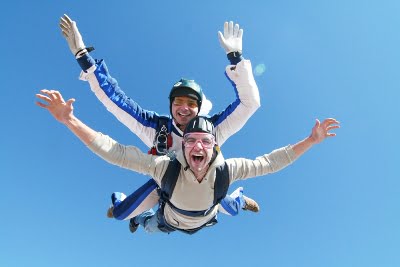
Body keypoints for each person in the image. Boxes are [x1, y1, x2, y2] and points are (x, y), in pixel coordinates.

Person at [36, 89, 340, 234]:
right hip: (170, 218)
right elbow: (115, 152)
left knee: (230, 205)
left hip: (208, 213)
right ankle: (131, 212)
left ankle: (240, 197)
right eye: (191, 140)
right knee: (132, 218)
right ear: (183, 147)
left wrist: (311, 141)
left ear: (214, 146)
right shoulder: (164, 165)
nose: (197, 146)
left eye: (205, 141)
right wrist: (71, 122)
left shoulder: (227, 169)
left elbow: (271, 162)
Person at [59, 15, 261, 222]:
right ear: (170, 105)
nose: (184, 108)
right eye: (178, 102)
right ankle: (128, 207)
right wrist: (84, 59)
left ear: (199, 109)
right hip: (166, 184)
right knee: (120, 213)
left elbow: (249, 104)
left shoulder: (213, 129)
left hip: (208, 185)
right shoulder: (157, 129)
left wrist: (236, 58)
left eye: (191, 103)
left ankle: (240, 199)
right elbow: (116, 101)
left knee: (232, 208)